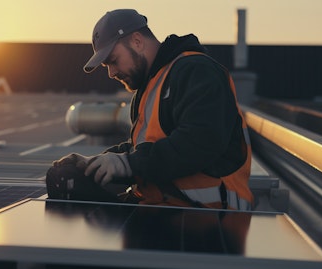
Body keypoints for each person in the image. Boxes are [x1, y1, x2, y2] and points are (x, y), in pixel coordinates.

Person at [47, 9, 253, 210]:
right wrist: (97, 162)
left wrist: (127, 164)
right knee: (66, 181)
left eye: (113, 61)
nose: (111, 73)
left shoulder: (196, 70)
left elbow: (200, 142)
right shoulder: (149, 87)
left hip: (210, 220)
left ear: (137, 41)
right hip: (161, 208)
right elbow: (145, 149)